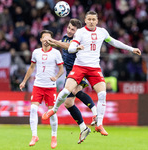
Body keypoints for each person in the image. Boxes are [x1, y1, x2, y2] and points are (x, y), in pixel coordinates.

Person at [42, 10, 141, 142]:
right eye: (89, 19)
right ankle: (54, 110)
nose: (91, 21)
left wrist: (131, 48)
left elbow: (114, 42)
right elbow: (70, 48)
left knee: (102, 94)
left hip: (94, 68)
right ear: (86, 20)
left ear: (97, 20)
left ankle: (99, 124)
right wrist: (77, 48)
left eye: (93, 19)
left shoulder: (102, 32)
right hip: (79, 67)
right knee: (67, 91)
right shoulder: (80, 32)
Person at [43, 18, 98, 144]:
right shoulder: (64, 37)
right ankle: (83, 128)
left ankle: (96, 113)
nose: (69, 30)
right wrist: (49, 43)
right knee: (68, 103)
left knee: (74, 90)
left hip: (79, 69)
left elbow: (67, 46)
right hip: (70, 72)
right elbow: (61, 45)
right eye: (68, 27)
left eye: (72, 29)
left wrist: (53, 41)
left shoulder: (78, 40)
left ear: (77, 31)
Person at [19, 30, 64, 149]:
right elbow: (32, 67)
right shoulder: (36, 52)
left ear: (51, 40)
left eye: (48, 38)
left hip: (50, 87)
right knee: (33, 108)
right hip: (38, 85)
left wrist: (56, 77)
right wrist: (24, 81)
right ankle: (34, 136)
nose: (46, 40)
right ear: (40, 40)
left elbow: (61, 69)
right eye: (44, 38)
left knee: (52, 112)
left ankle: (54, 136)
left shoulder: (56, 53)